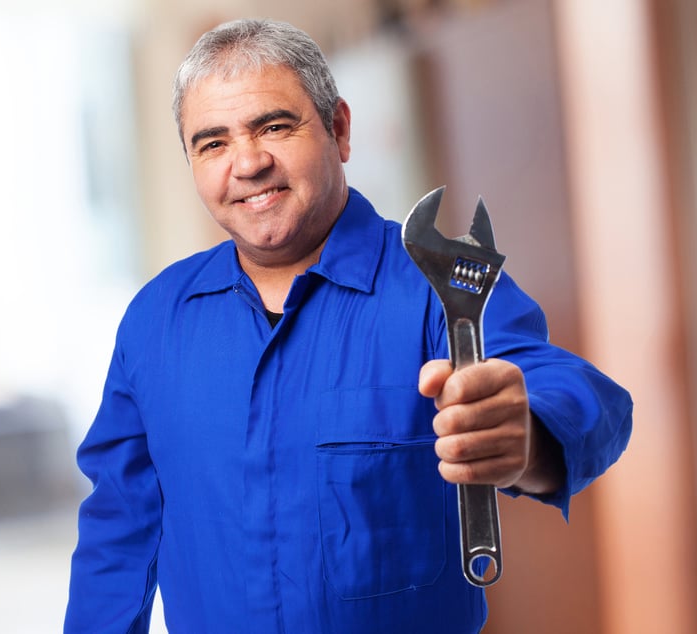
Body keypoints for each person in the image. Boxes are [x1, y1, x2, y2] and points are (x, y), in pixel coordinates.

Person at [64, 18, 632, 633]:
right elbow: (119, 531)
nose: (248, 163)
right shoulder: (156, 319)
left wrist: (531, 434)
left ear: (339, 130)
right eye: (213, 143)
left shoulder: (442, 288)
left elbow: (577, 393)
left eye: (274, 127)